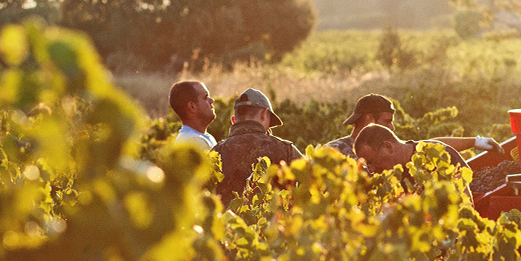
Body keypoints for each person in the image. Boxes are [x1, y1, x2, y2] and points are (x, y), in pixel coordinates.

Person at [324, 93, 502, 159]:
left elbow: (427, 146)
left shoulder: (386, 149)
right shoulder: (333, 152)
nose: (392, 128)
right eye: (387, 121)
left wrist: (476, 142)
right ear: (370, 119)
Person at [212, 88, 304, 202]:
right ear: (263, 114)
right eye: (269, 123)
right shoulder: (286, 150)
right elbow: (313, 183)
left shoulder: (215, 153)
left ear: (234, 120)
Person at [352, 123, 473, 203]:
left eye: (372, 162)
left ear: (388, 147)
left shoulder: (437, 155)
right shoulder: (395, 176)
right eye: (368, 166)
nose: (372, 170)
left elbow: (465, 203)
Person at [169, 80, 216, 150]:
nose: (212, 100)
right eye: (205, 97)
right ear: (192, 106)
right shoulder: (193, 142)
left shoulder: (202, 137)